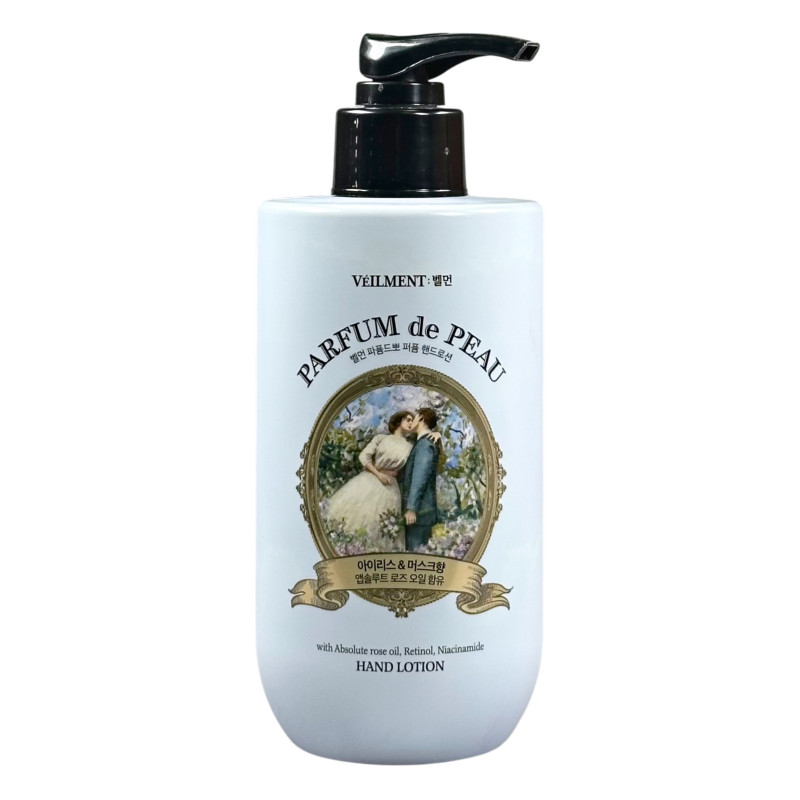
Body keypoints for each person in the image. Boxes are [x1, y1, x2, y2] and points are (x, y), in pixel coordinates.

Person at [324, 411, 415, 548]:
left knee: (384, 523)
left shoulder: (410, 447)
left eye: (412, 421)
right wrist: (378, 474)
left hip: (390, 487)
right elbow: (363, 456)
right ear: (398, 421)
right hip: (370, 480)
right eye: (408, 420)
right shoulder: (381, 438)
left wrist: (390, 473)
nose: (411, 423)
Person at [402, 408, 441, 551]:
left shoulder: (425, 444)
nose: (412, 421)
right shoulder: (424, 442)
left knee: (416, 554)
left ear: (421, 419)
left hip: (419, 512)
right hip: (421, 512)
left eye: (414, 418)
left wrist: (412, 508)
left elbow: (420, 476)